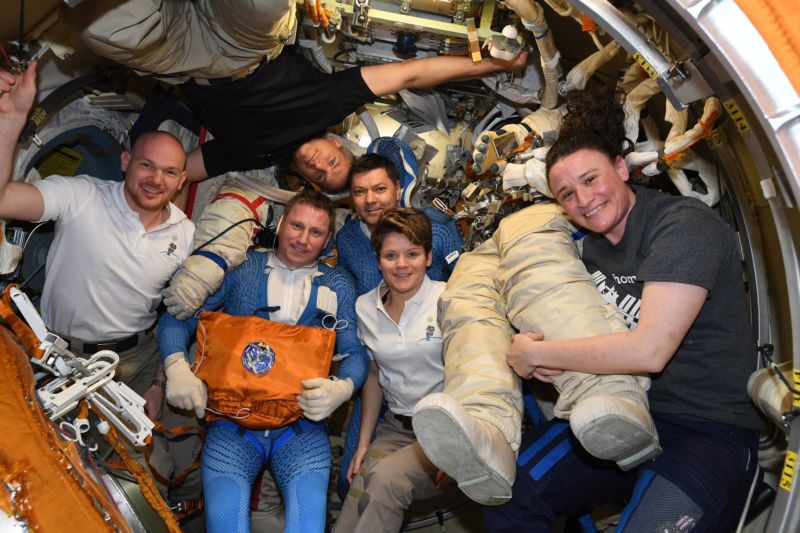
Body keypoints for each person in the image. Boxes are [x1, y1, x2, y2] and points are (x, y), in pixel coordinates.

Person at [484, 89, 762, 531]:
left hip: (707, 429)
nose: (584, 200)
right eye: (567, 193)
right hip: (620, 407)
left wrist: (539, 353)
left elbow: (649, 351)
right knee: (504, 491)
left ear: (619, 168)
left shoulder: (682, 226)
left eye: (590, 179)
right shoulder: (586, 249)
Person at [63, 0, 529, 194]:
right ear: (338, 144)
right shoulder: (330, 102)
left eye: (321, 175)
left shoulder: (251, 153)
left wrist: (129, 201)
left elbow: (177, 174)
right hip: (248, 45)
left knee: (100, 28)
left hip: (187, 62)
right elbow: (410, 73)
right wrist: (492, 65)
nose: (320, 165)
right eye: (334, 162)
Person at [0, 62, 201, 502]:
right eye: (147, 165)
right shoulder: (81, 195)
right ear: (126, 162)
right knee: (44, 468)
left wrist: (158, 383)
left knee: (124, 479)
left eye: (169, 172)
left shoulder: (186, 234)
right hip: (59, 358)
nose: (156, 180)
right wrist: (12, 118)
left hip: (134, 364)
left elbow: (178, 315)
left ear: (181, 181)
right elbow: (3, 199)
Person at [157, 189, 369, 533]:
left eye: (315, 232)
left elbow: (355, 354)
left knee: (308, 526)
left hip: (301, 430)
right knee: (226, 525)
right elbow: (176, 319)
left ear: (328, 239)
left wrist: (342, 388)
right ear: (281, 224)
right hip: (233, 426)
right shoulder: (242, 268)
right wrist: (176, 367)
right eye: (296, 226)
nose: (303, 239)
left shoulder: (338, 285)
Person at [334, 208, 453, 532]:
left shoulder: (448, 299)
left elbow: (469, 373)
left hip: (444, 430)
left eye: (412, 254)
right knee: (356, 499)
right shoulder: (365, 307)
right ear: (378, 261)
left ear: (428, 257)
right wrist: (364, 444)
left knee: (384, 482)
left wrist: (456, 444)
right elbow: (375, 376)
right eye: (391, 255)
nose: (401, 264)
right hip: (396, 429)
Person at [337, 153, 462, 295]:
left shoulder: (437, 231)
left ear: (397, 189)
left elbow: (468, 280)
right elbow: (346, 295)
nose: (370, 200)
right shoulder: (347, 238)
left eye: (380, 189)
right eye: (359, 192)